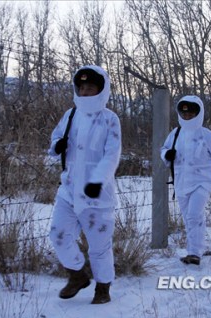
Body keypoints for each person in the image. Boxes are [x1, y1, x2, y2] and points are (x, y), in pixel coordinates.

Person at [49, 65, 121, 304]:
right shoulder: (71, 115)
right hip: (68, 191)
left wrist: (97, 180)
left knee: (99, 247)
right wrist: (56, 146)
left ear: (101, 90)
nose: (85, 91)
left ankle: (103, 288)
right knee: (58, 234)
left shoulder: (110, 119)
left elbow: (112, 154)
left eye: (90, 87)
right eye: (81, 87)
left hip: (97, 196)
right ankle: (77, 274)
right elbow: (57, 136)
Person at [161, 95, 211, 265]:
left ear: (199, 113)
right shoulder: (175, 134)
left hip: (202, 182)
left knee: (193, 215)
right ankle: (202, 246)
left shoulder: (207, 135)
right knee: (191, 218)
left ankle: (193, 253)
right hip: (181, 183)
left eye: (191, 113)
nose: (187, 116)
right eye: (184, 113)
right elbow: (164, 149)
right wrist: (167, 155)